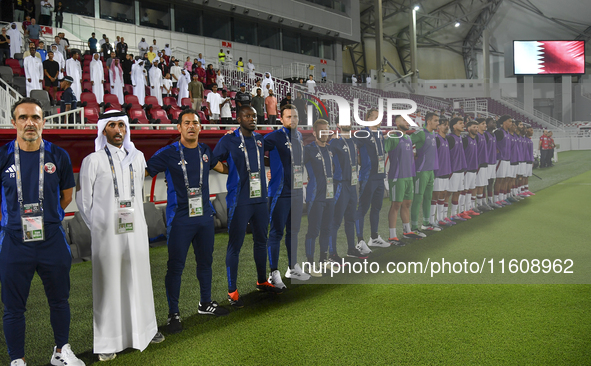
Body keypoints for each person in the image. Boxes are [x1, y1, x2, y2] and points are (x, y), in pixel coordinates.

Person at [1, 98, 85, 366]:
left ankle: (61, 351)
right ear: (13, 122)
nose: (30, 123)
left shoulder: (58, 155)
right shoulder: (3, 156)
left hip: (51, 239)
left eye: (35, 118)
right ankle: (17, 360)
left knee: (59, 299)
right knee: (14, 307)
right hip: (14, 240)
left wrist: (48, 218)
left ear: (43, 122)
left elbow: (67, 194)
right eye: (23, 118)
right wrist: (12, 221)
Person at [76, 111, 165, 361]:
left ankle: (145, 331)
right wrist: (100, 227)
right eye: (112, 125)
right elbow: (83, 201)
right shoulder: (92, 160)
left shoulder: (138, 158)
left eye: (122, 125)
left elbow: (138, 196)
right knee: (109, 284)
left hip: (135, 231)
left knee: (139, 279)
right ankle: (108, 341)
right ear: (104, 130)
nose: (118, 130)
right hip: (107, 235)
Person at [146, 110, 230, 333]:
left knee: (206, 262)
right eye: (187, 123)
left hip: (204, 217)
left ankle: (205, 303)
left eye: (195, 123)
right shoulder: (168, 153)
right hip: (180, 219)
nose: (191, 126)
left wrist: (238, 160)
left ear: (200, 127)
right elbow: (144, 171)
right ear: (179, 128)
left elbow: (222, 167)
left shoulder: (205, 151)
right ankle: (173, 313)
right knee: (175, 267)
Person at [213, 106, 283, 307]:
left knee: (261, 241)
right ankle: (232, 291)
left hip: (260, 199)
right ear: (238, 118)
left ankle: (262, 281)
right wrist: (231, 171)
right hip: (239, 201)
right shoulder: (228, 139)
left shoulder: (261, 139)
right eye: (247, 116)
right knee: (235, 246)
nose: (252, 119)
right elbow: (213, 161)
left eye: (254, 115)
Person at [264, 104, 311, 285]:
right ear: (281, 119)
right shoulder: (273, 137)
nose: (293, 120)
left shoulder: (298, 136)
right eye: (289, 117)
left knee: (294, 231)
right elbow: (254, 152)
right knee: (276, 233)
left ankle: (292, 268)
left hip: (297, 191)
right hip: (279, 193)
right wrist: (270, 171)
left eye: (295, 116)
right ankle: (273, 273)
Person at [328, 120, 367, 259]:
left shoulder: (353, 141)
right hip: (341, 185)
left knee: (350, 218)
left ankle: (351, 249)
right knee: (336, 220)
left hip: (352, 185)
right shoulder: (334, 143)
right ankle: (332, 253)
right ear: (338, 124)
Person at [303, 119, 335, 276]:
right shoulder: (308, 150)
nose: (325, 133)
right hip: (315, 196)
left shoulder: (330, 150)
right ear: (314, 133)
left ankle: (324, 260)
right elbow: (294, 165)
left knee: (327, 229)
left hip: (330, 196)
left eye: (326, 130)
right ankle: (309, 264)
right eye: (321, 130)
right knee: (313, 231)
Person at [354, 109, 389, 252]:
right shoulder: (362, 133)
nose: (378, 120)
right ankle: (360, 241)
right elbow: (352, 148)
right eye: (375, 117)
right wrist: (360, 162)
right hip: (368, 177)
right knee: (362, 208)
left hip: (380, 176)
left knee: (377, 207)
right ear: (368, 118)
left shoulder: (380, 133)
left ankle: (374, 238)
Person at [384, 115, 422, 245]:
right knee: (396, 205)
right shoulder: (393, 137)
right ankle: (392, 236)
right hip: (397, 176)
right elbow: (383, 149)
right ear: (397, 122)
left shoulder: (408, 138)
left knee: (407, 204)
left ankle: (407, 231)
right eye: (405, 120)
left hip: (408, 176)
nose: (407, 123)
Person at [409, 112, 442, 233]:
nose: (438, 123)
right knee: (418, 198)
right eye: (436, 121)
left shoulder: (432, 134)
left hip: (430, 171)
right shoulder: (421, 133)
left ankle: (426, 223)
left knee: (428, 197)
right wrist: (412, 154)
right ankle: (413, 227)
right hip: (421, 171)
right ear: (428, 121)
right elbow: (407, 143)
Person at [432, 118, 454, 228]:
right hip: (438, 172)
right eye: (444, 124)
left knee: (443, 195)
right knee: (435, 196)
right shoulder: (436, 139)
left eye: (448, 125)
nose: (447, 126)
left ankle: (440, 218)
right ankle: (431, 220)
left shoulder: (446, 140)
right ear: (438, 126)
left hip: (446, 171)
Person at [446, 117, 470, 221]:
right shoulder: (450, 138)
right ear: (454, 126)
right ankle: (444, 216)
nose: (463, 125)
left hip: (460, 169)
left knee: (458, 192)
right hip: (453, 170)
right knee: (448, 193)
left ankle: (454, 214)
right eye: (460, 123)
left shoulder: (460, 138)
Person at [461, 120, 481, 216]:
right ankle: (461, 211)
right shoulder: (465, 140)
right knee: (464, 190)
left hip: (474, 168)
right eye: (474, 127)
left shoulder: (475, 139)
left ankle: (468, 209)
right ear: (468, 129)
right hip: (467, 169)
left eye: (477, 127)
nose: (476, 129)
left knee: (470, 189)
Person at [493, 115, 513, 206]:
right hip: (500, 159)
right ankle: (496, 199)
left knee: (505, 179)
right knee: (499, 179)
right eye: (509, 121)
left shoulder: (508, 133)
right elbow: (493, 143)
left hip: (507, 159)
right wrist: (495, 149)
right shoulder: (499, 132)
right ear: (504, 122)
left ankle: (503, 198)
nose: (511, 123)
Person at [475, 118, 493, 212]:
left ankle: (482, 202)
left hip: (485, 162)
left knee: (483, 184)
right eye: (483, 123)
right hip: (479, 164)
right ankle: (477, 204)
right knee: (477, 185)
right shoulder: (477, 136)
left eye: (485, 123)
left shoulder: (484, 136)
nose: (485, 125)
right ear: (477, 125)